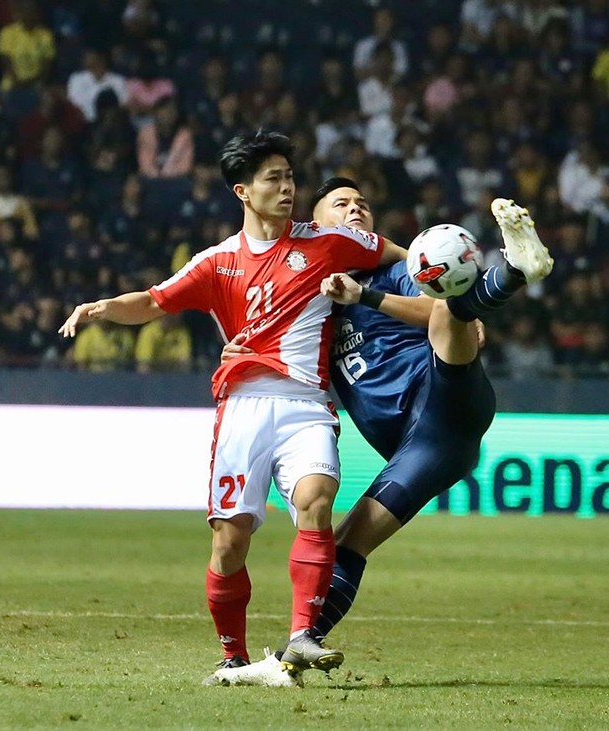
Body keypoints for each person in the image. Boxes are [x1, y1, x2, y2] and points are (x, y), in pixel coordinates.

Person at [57, 131, 407, 679]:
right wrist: (101, 307)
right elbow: (152, 302)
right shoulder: (216, 262)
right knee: (230, 539)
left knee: (317, 502)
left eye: (291, 176)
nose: (288, 187)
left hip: (307, 403)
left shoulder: (329, 243)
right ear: (244, 191)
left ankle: (302, 636)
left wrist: (445, 287)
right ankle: (232, 656)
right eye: (274, 178)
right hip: (243, 407)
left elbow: (401, 256)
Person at [213, 177, 553, 686]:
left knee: (448, 309)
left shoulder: (393, 272)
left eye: (363, 204)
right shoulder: (310, 301)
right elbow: (285, 353)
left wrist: (366, 295)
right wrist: (241, 354)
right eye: (342, 204)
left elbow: (432, 307)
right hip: (419, 448)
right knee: (347, 543)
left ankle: (508, 274)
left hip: (441, 403)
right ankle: (293, 657)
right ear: (316, 224)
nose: (356, 210)